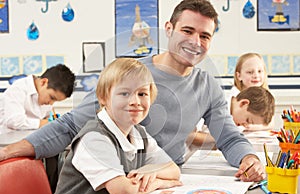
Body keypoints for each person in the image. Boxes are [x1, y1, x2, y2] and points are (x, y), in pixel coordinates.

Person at [0, 0, 265, 182]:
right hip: (118, 183)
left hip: (165, 182)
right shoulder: (128, 74)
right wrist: (8, 151)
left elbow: (229, 139)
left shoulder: (208, 85)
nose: (196, 42)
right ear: (169, 29)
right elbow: (70, 126)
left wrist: (250, 158)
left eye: (205, 36)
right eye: (187, 30)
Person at [53, 58, 182, 194]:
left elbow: (173, 170)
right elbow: (123, 191)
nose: (135, 102)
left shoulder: (139, 133)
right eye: (124, 93)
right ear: (103, 98)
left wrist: (151, 170)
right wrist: (159, 183)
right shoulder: (94, 138)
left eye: (142, 94)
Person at [185, 86, 275, 160]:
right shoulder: (212, 103)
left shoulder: (230, 116)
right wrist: (225, 139)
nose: (245, 125)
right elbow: (187, 136)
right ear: (243, 103)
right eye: (248, 120)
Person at [0, 64, 75, 130]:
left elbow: (49, 118)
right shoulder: (18, 89)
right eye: (52, 97)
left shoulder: (44, 96)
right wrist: (47, 122)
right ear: (43, 82)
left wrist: (53, 120)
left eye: (55, 101)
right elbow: (14, 122)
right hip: (6, 140)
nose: (51, 103)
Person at [229, 52, 273, 131]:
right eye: (250, 72)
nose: (256, 75)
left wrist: (253, 127)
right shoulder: (234, 98)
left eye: (260, 71)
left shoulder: (264, 98)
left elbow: (271, 123)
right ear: (239, 76)